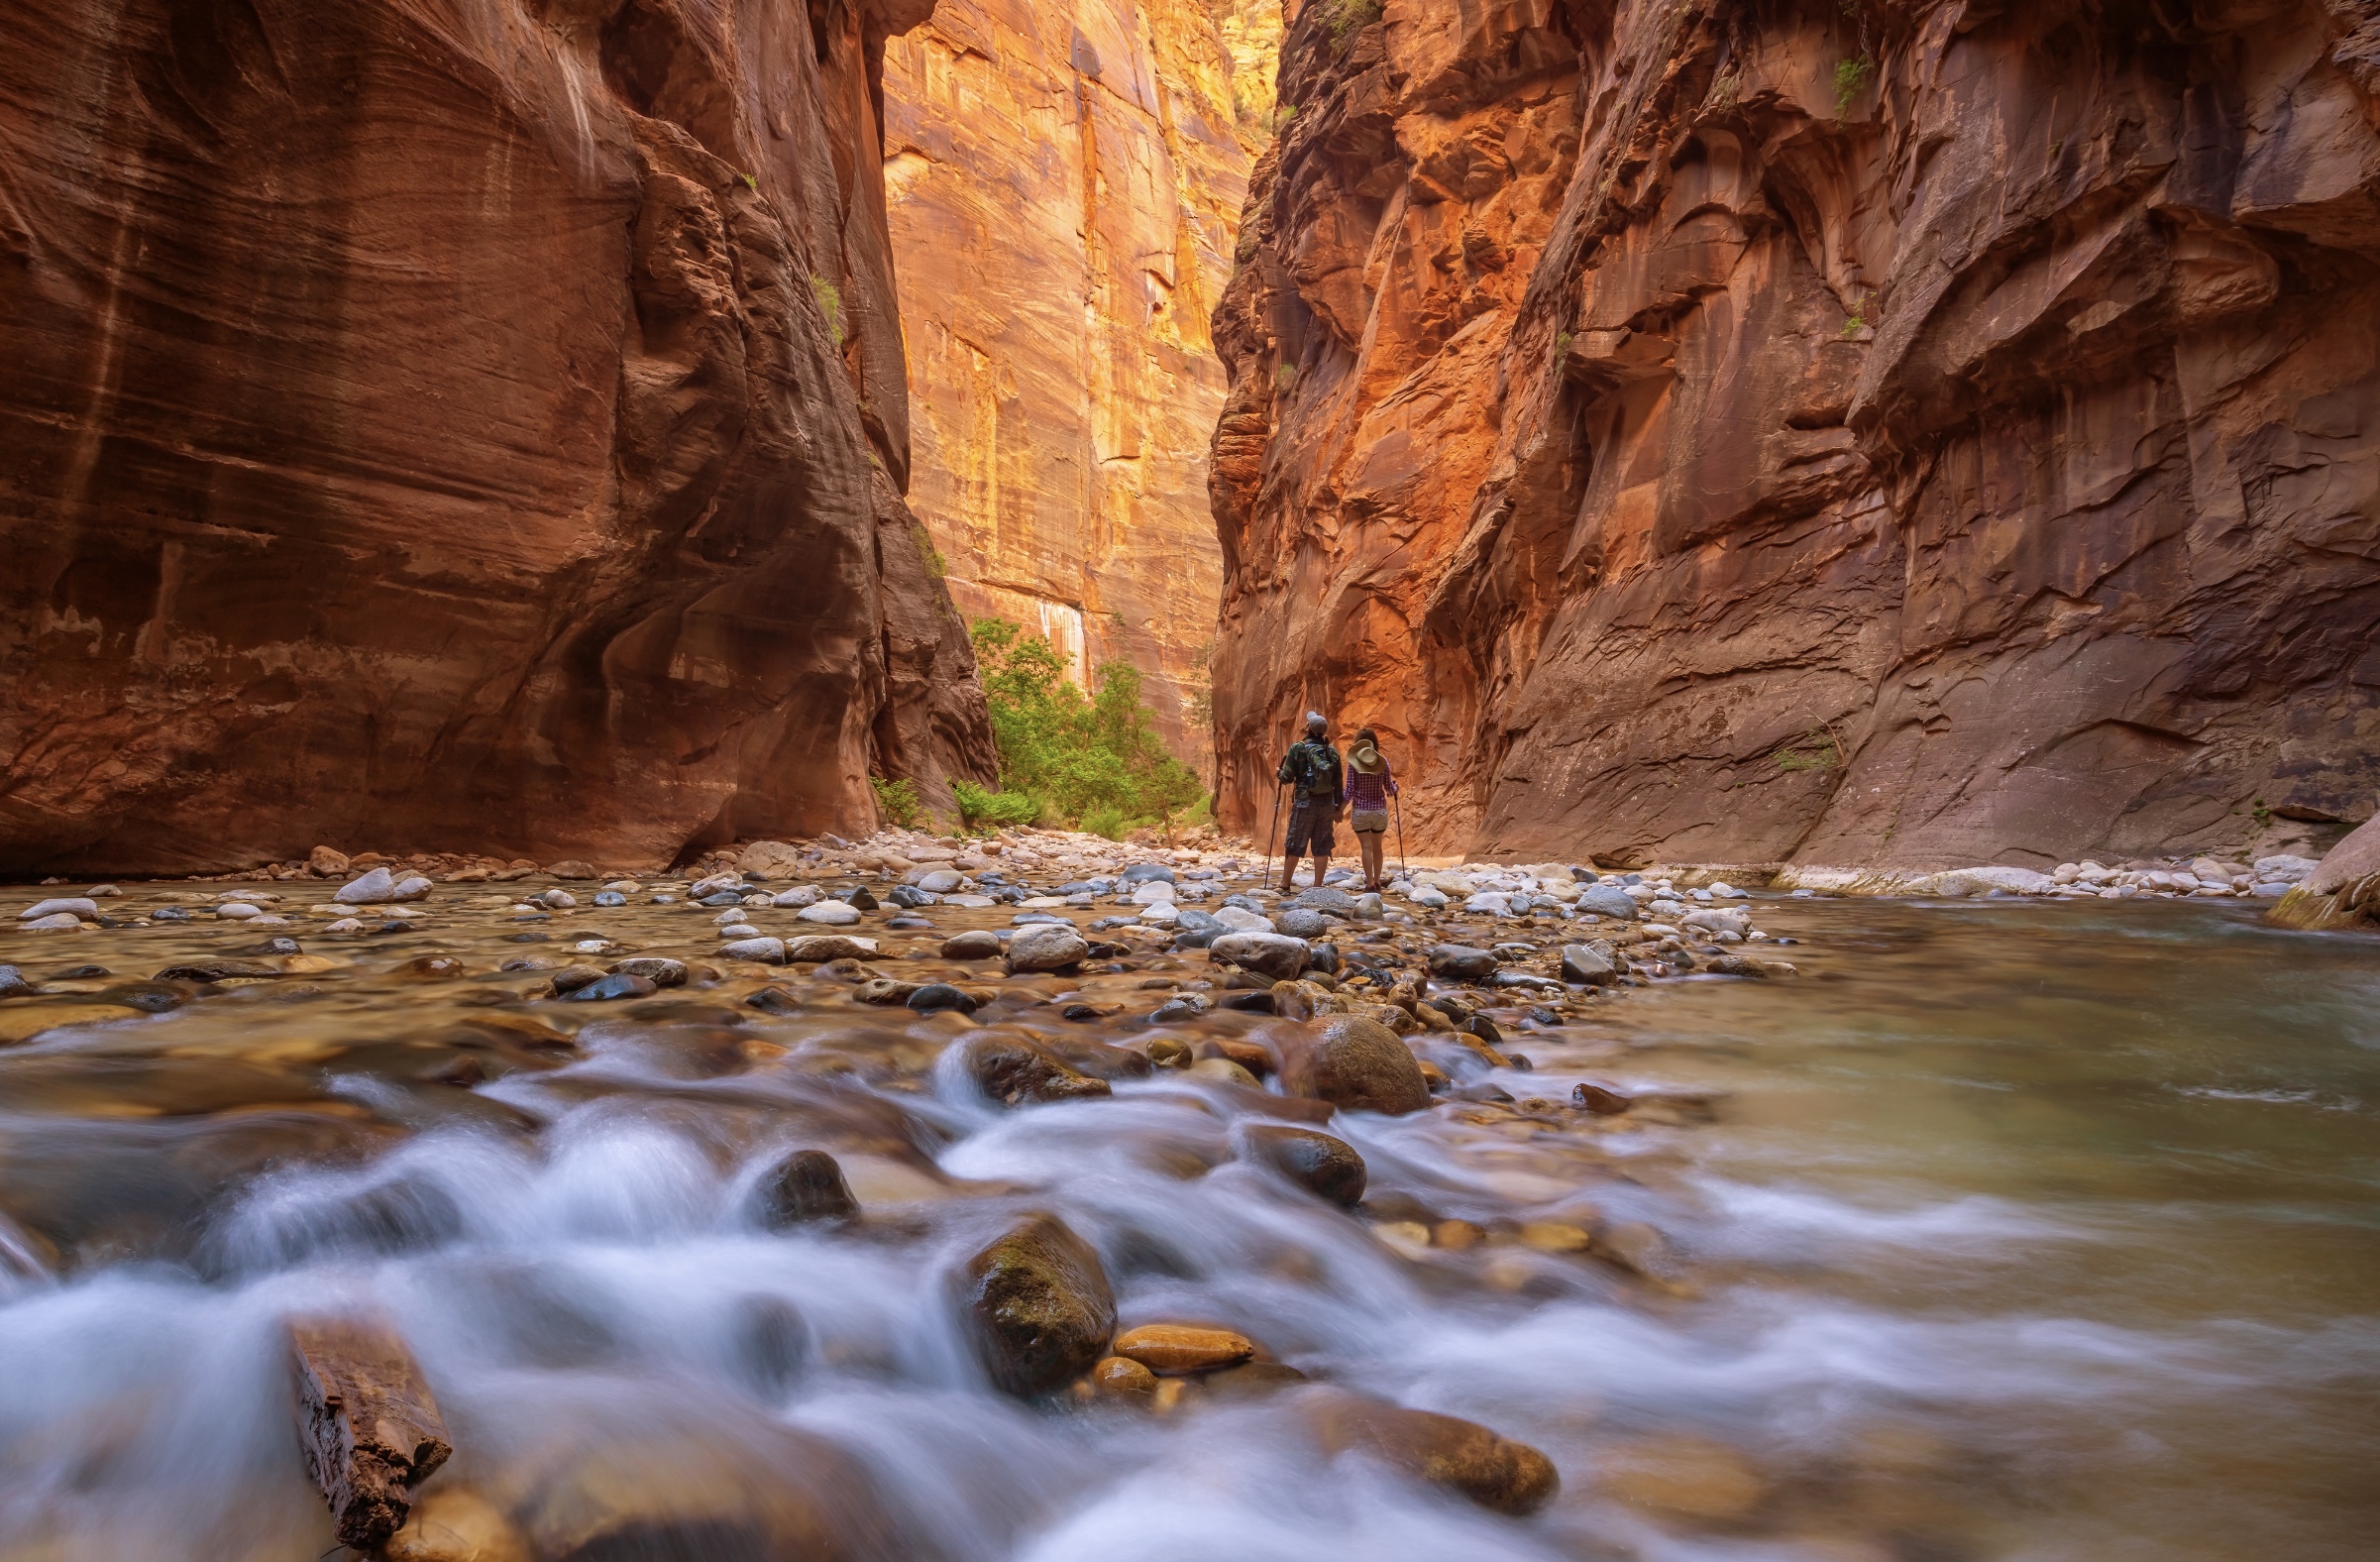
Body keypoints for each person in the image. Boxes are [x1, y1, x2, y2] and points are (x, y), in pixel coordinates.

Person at [1275, 712, 1344, 892]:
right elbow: (1338, 782)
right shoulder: (1332, 751)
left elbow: (1287, 778)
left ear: (1308, 729)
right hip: (1327, 803)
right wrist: (1338, 808)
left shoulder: (1298, 748)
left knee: (1296, 841)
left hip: (1305, 802)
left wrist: (1278, 773)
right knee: (1322, 844)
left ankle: (1285, 884)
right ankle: (1317, 886)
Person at [1345, 725, 1399, 891]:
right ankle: (1377, 881)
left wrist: (1339, 808)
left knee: (1366, 847)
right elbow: (1389, 790)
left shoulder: (1353, 764)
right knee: (1377, 847)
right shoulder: (1383, 762)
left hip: (1361, 810)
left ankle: (1369, 883)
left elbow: (1349, 791)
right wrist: (1396, 788)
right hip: (1379, 811)